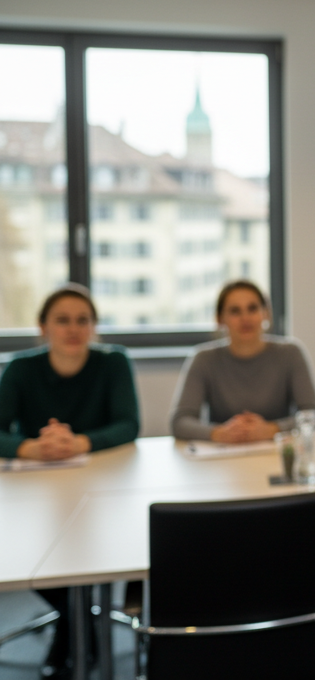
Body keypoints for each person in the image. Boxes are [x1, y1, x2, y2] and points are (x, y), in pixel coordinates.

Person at [0, 284, 140, 678]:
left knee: (102, 546)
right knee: (32, 550)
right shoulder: (21, 368)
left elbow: (129, 425)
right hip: (36, 491)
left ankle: (74, 628)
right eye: (62, 320)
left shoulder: (113, 362)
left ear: (94, 327)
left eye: (83, 320)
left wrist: (79, 442)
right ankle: (78, 620)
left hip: (105, 488)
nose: (73, 329)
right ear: (43, 326)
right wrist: (30, 447)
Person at [169, 280, 315, 442]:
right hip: (222, 459)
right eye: (235, 311)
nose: (245, 318)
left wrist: (272, 429)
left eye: (253, 308)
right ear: (220, 318)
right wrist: (219, 433)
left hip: (277, 454)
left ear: (266, 313)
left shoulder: (291, 353)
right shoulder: (204, 359)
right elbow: (180, 422)